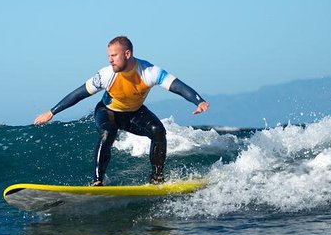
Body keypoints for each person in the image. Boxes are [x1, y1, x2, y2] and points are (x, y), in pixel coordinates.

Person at [34, 36, 209, 186]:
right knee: (107, 132)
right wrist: (52, 112)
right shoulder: (106, 74)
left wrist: (198, 101)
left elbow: (177, 86)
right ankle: (97, 182)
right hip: (108, 111)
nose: (110, 59)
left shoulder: (149, 71)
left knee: (158, 131)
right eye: (108, 55)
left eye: (114, 55)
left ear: (127, 54)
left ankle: (157, 177)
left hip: (134, 113)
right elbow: (79, 93)